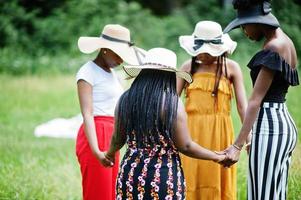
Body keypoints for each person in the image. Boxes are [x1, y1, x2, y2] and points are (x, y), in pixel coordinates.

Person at [101, 48, 227, 199]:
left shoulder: (125, 99)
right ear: (168, 75)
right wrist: (216, 156)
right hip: (163, 176)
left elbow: (118, 138)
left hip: (130, 175)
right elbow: (185, 146)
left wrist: (108, 154)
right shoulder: (171, 103)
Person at [222, 0, 299, 199]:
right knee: (275, 194)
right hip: (282, 124)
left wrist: (236, 146)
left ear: (256, 21)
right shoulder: (286, 41)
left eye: (244, 25)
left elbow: (255, 100)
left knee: (262, 196)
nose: (244, 31)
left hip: (269, 129)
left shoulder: (273, 47)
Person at [177, 20, 248, 200]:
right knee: (191, 180)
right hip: (191, 133)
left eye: (209, 51)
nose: (205, 55)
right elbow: (171, 101)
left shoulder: (231, 68)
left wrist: (249, 137)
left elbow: (242, 105)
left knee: (218, 181)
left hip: (220, 133)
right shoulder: (188, 67)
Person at [75, 24, 145, 200]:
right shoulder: (87, 72)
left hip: (113, 134)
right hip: (96, 134)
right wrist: (97, 150)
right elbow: (87, 114)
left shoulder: (112, 73)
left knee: (111, 192)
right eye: (119, 55)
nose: (121, 61)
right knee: (97, 192)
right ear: (105, 49)